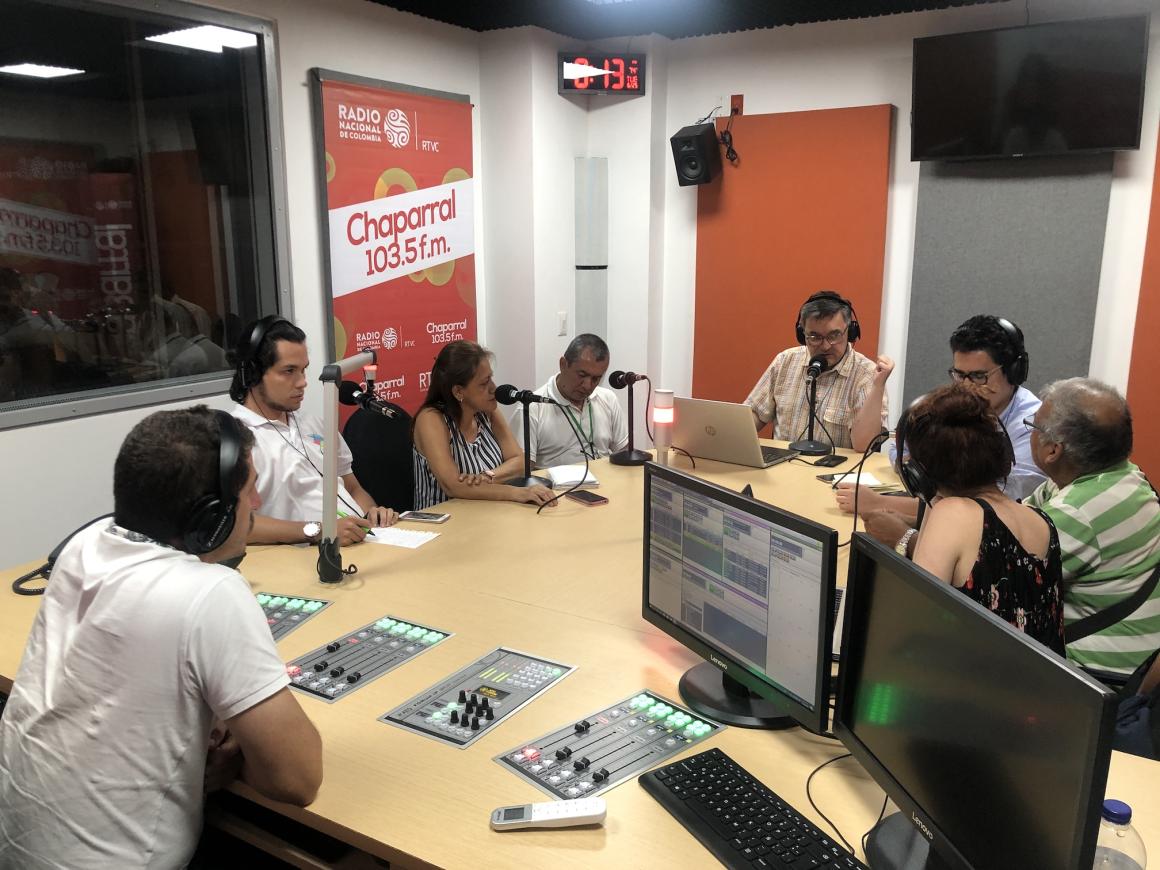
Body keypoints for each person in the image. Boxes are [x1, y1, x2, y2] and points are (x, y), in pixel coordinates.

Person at [0, 407, 322, 867]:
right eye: (249, 489)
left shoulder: (84, 545)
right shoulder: (211, 593)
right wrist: (244, 759)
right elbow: (298, 779)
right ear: (212, 517)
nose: (257, 501)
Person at [836, 314, 1046, 546]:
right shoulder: (958, 406)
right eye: (959, 375)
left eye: (979, 376)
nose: (966, 387)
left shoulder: (1033, 426)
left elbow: (996, 503)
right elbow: (901, 449)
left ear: (1014, 371)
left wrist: (881, 503)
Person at [902, 384, 1065, 653]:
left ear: (919, 475)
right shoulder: (1040, 519)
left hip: (969, 676)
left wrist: (928, 496)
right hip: (1032, 678)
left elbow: (917, 620)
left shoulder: (952, 514)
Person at [1024, 378, 1160, 675]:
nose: (1030, 434)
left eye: (1033, 427)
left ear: (1053, 450)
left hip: (1098, 677)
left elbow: (1000, 574)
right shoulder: (1124, 476)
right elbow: (1018, 520)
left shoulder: (1077, 513)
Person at [229, 316, 398, 546]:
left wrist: (372, 514)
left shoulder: (316, 423)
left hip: (362, 544)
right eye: (289, 371)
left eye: (303, 370)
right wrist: (319, 531)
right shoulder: (234, 439)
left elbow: (352, 488)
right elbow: (233, 524)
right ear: (252, 373)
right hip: (308, 557)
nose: (302, 382)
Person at [413, 340, 556, 510]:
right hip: (443, 518)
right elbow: (453, 486)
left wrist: (487, 477)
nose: (494, 388)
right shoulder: (431, 419)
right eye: (484, 383)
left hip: (488, 512)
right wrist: (519, 493)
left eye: (491, 378)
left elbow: (519, 462)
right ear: (458, 391)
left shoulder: (487, 411)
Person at [743, 290, 891, 452]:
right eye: (815, 337)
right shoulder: (785, 361)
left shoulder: (867, 375)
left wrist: (878, 386)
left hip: (835, 468)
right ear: (802, 335)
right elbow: (754, 414)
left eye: (834, 335)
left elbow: (864, 445)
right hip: (783, 465)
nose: (825, 346)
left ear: (850, 332)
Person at [513, 333, 628, 466]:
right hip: (557, 480)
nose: (587, 385)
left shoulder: (608, 398)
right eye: (582, 375)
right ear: (563, 364)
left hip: (605, 477)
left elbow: (623, 452)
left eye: (596, 379)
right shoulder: (531, 408)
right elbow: (521, 469)